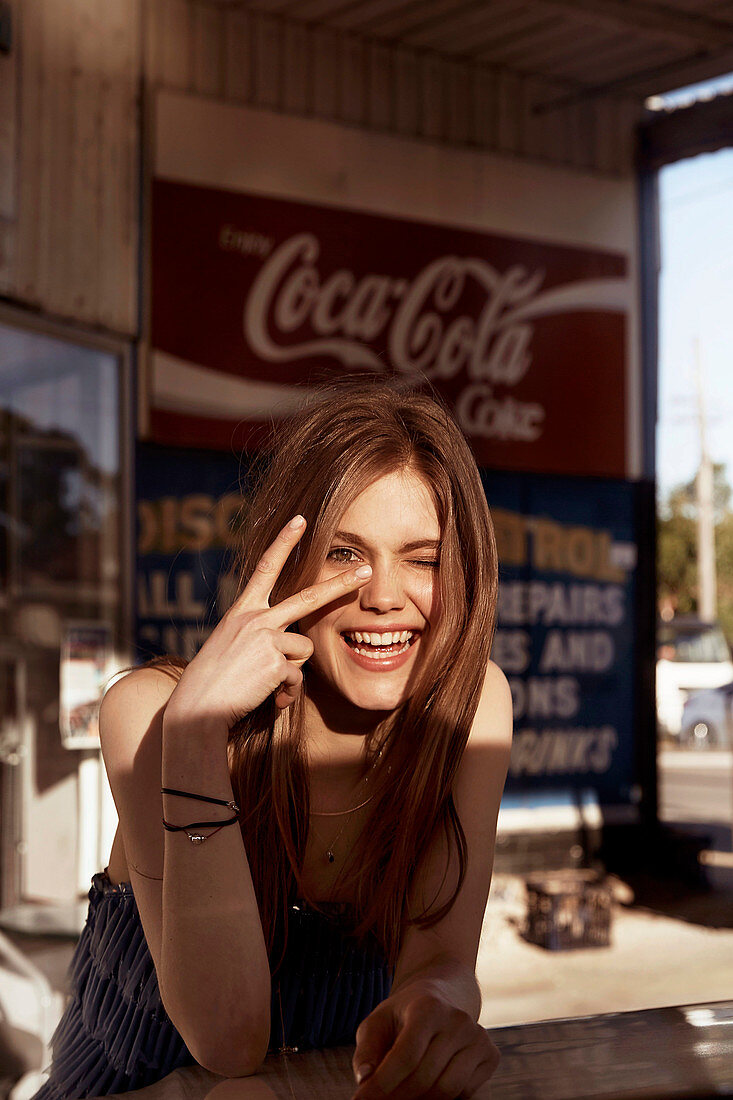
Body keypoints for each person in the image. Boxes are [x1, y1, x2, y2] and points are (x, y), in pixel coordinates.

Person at [35, 382, 513, 1100]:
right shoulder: (151, 713)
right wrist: (196, 739)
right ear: (286, 566)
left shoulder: (471, 709)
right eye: (345, 554)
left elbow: (442, 960)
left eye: (423, 559)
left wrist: (436, 1008)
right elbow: (228, 1043)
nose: (383, 595)